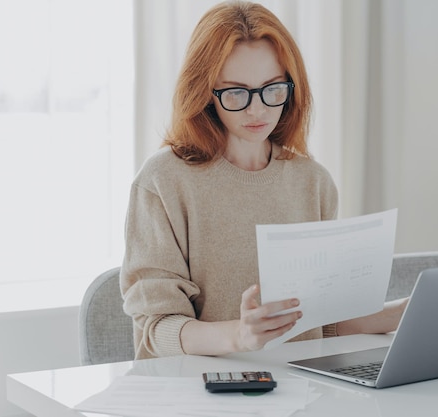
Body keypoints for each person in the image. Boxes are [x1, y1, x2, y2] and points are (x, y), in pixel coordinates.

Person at [120, 0, 408, 360]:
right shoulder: (164, 181)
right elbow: (156, 329)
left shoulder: (312, 181)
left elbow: (320, 323)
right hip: (201, 391)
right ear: (206, 93)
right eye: (236, 92)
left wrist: (404, 311)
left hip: (301, 390)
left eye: (272, 89)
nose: (257, 110)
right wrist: (240, 336)